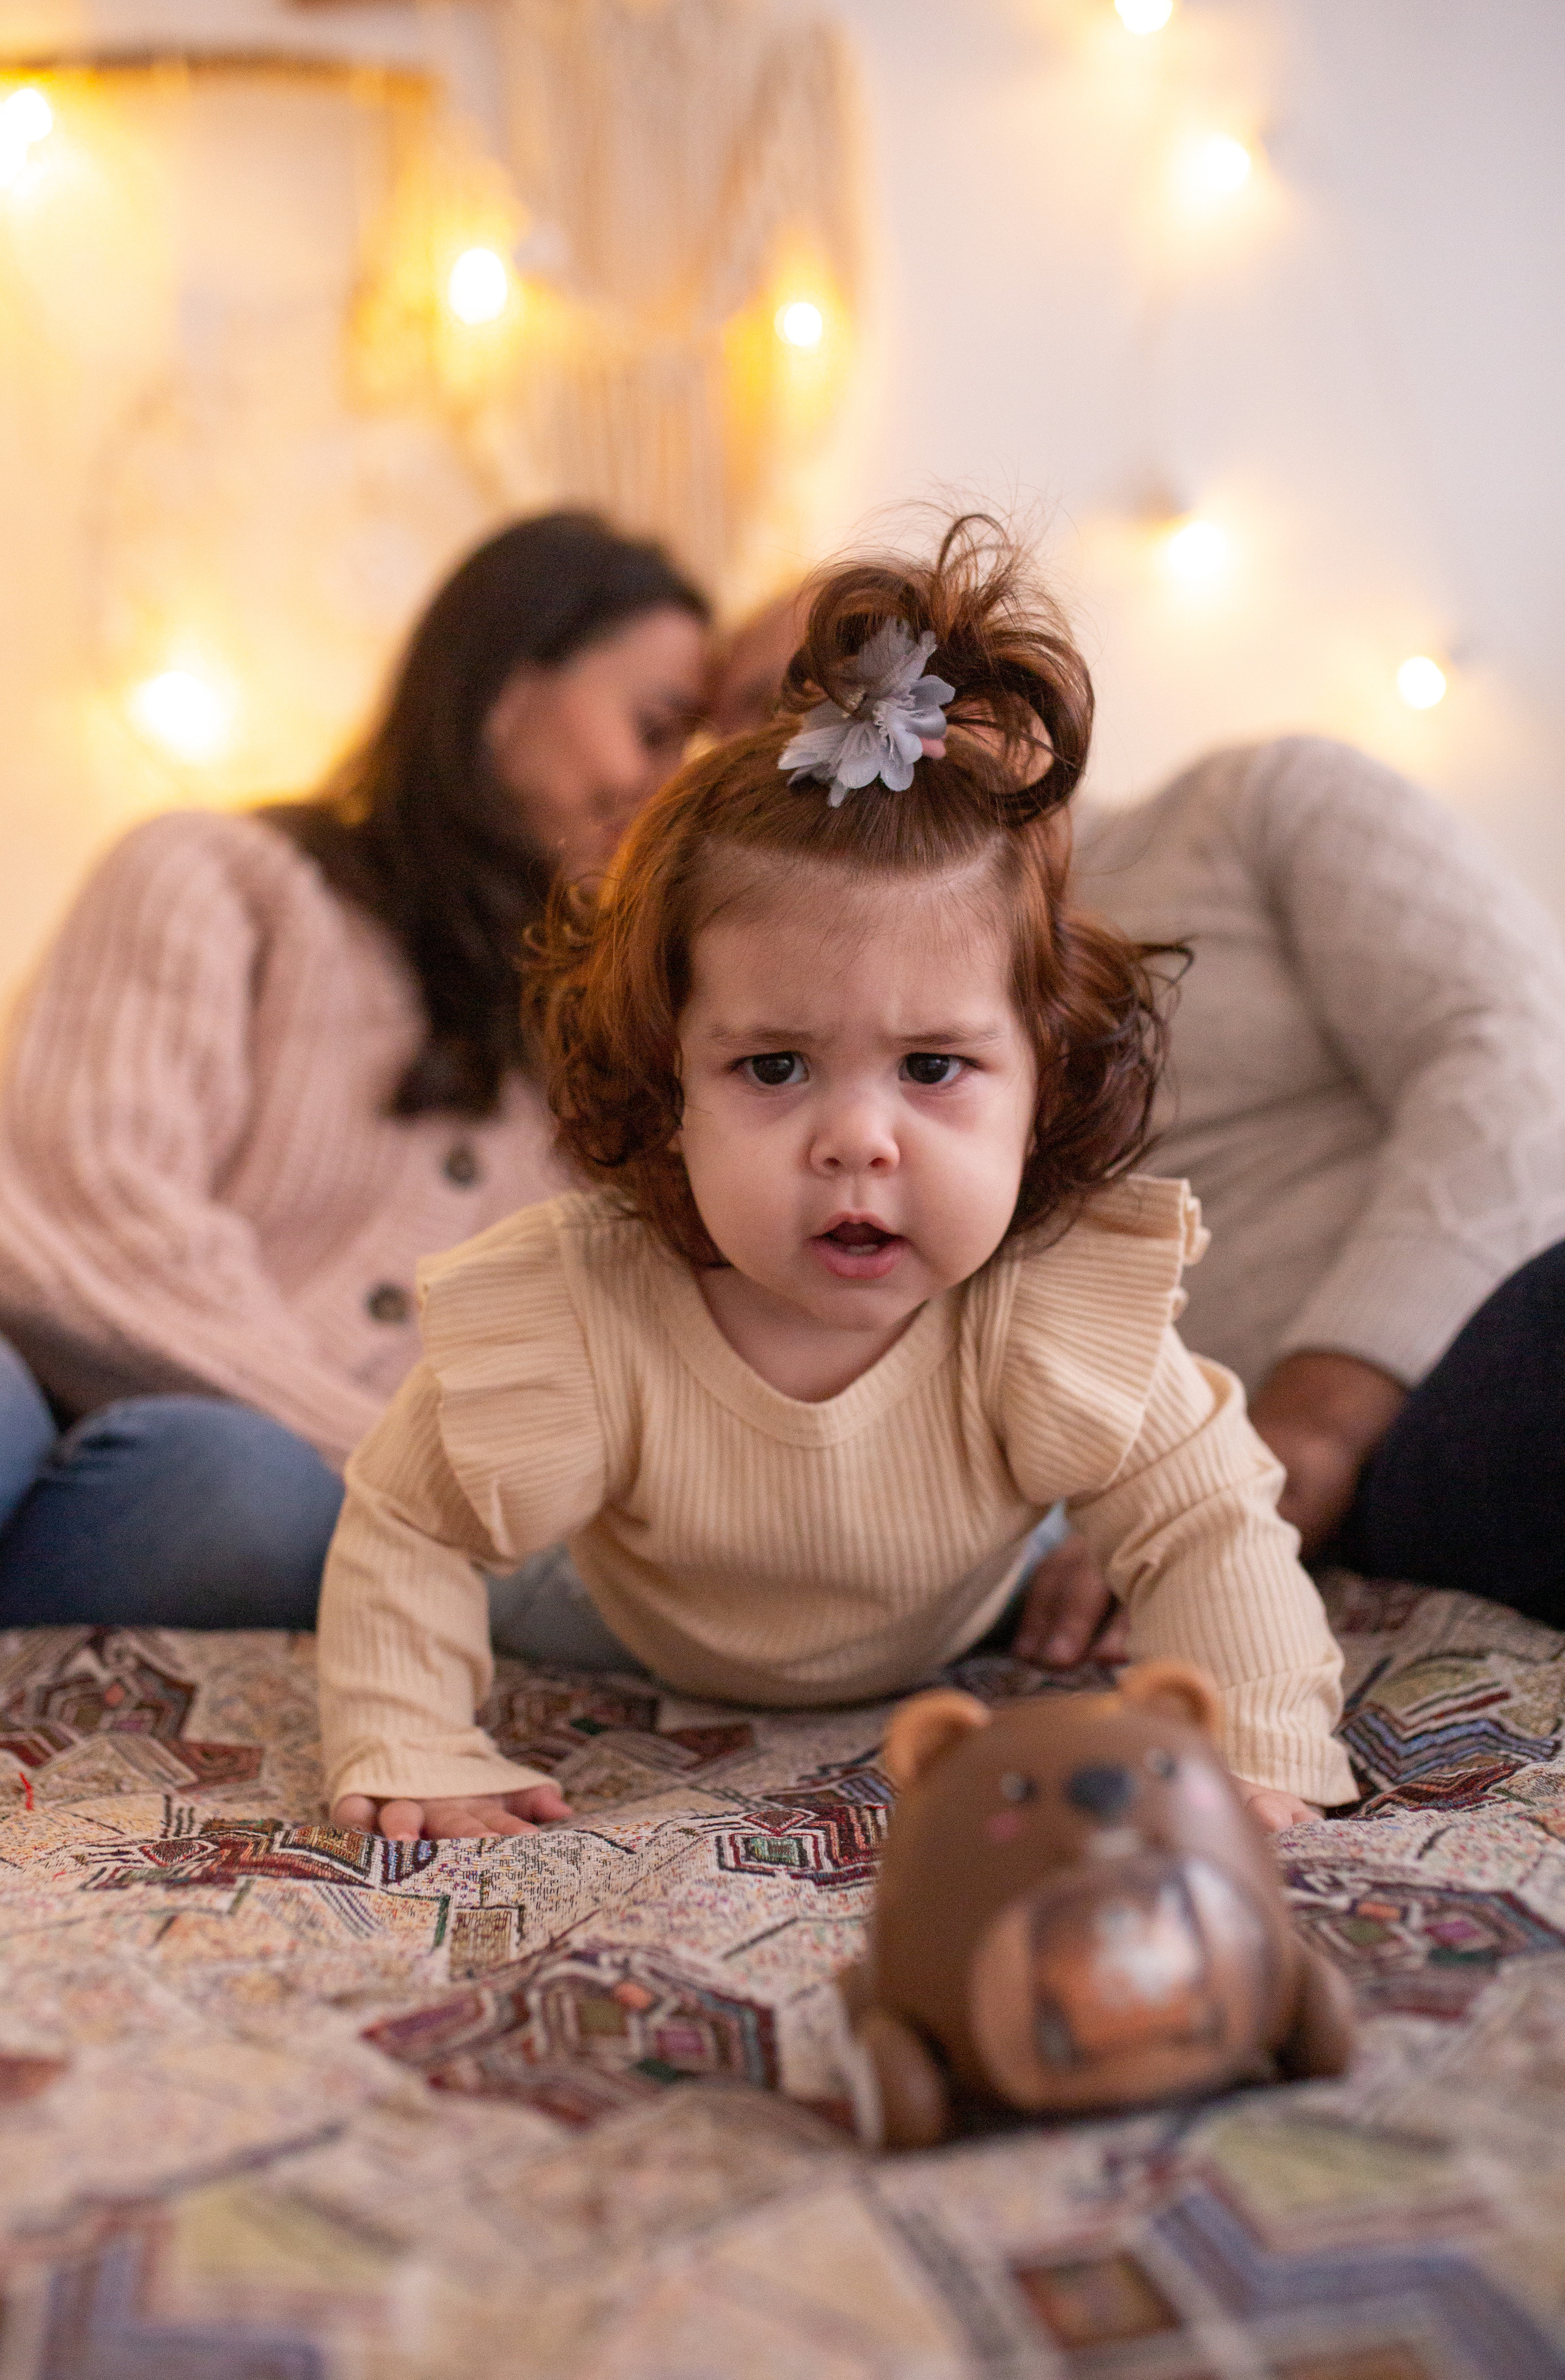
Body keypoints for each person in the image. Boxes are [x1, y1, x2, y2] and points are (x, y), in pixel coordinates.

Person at [317, 520, 1356, 1844]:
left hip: (960, 1598)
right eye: (771, 1068)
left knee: (1090, 1534)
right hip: (623, 1616)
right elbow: (410, 1512)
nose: (857, 1139)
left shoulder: (1036, 1312)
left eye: (931, 1064)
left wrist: (1260, 1746)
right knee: (497, 1562)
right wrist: (411, 1736)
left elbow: (1206, 1517)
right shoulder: (588, 1306)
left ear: (1040, 1074)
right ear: (664, 1078)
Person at [0, 512, 710, 1629]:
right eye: (655, 727)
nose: (668, 784)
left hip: (227, 1498)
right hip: (55, 1383)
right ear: (506, 683)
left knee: (227, 1484)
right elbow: (74, 1218)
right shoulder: (217, 879)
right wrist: (379, 1468)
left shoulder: (609, 1072)